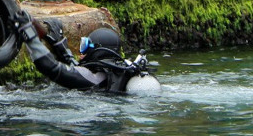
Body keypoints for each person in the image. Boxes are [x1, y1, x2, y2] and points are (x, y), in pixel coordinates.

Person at [15, 18, 160, 94]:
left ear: (96, 51)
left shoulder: (92, 79)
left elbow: (50, 68)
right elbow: (77, 67)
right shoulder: (124, 69)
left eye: (85, 46)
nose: (81, 53)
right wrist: (60, 45)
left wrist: (30, 37)